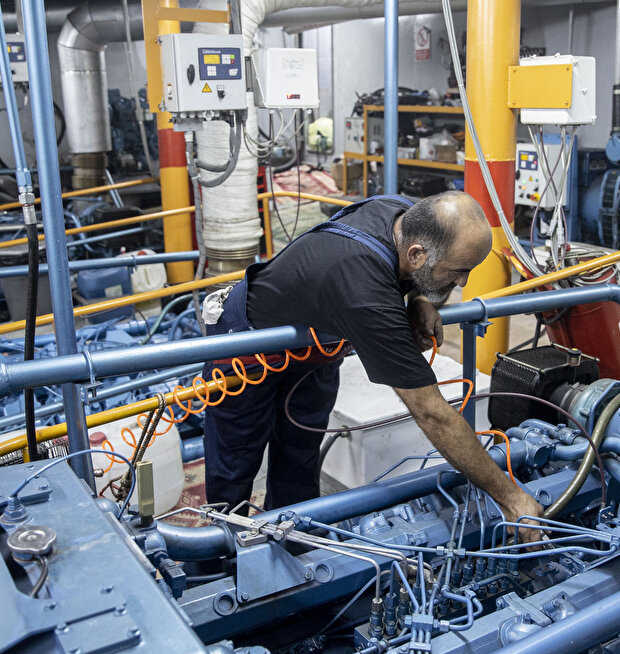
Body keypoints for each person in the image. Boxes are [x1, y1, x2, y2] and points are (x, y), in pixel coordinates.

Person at [201, 191, 543, 538]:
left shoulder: (410, 214)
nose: (463, 283)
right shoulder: (365, 292)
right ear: (416, 254)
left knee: (299, 457)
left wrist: (420, 298)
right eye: (458, 271)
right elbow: (430, 412)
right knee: (236, 463)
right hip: (248, 349)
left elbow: (413, 272)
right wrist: (510, 497)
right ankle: (218, 554)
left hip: (316, 350)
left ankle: (293, 546)